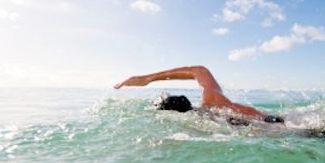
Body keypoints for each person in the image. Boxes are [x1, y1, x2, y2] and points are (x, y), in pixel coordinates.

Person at [114, 65, 284, 123]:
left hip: (270, 134)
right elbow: (199, 70)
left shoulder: (197, 124)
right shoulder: (213, 99)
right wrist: (148, 78)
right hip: (277, 120)